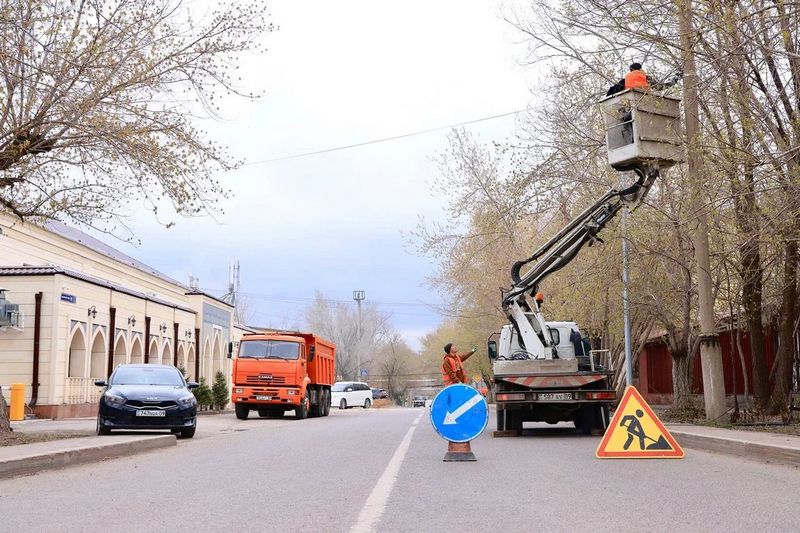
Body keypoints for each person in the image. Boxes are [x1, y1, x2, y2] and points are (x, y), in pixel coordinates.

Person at [606, 62, 682, 96]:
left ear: (631, 70)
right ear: (640, 69)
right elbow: (660, 87)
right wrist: (675, 79)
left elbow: (612, 90)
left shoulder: (625, 80)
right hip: (644, 99)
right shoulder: (646, 77)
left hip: (630, 101)